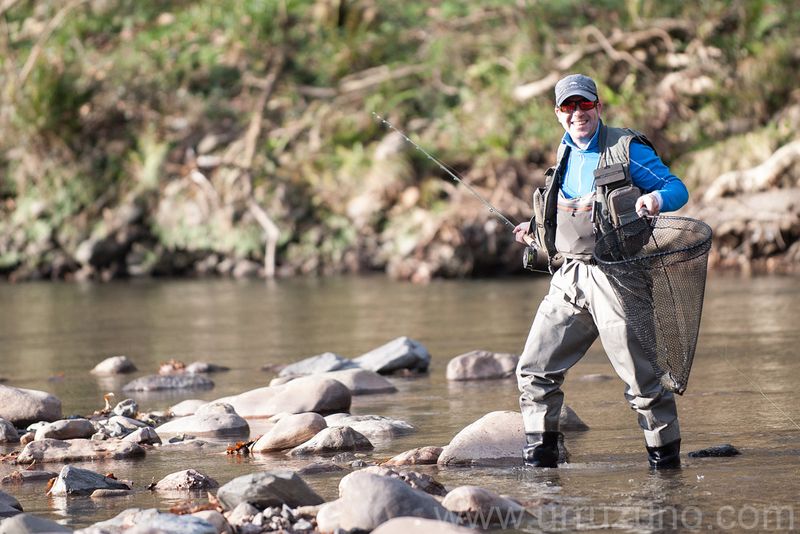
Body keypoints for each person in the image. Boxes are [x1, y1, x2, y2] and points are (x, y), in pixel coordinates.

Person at [512, 73, 689, 469]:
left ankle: (666, 471)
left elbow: (678, 188)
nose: (577, 113)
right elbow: (567, 215)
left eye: (584, 105)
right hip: (567, 279)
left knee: (643, 385)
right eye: (568, 107)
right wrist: (534, 229)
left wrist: (657, 199)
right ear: (558, 114)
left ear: (598, 107)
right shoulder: (563, 155)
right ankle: (541, 468)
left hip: (618, 279)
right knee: (534, 371)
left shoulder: (627, 149)